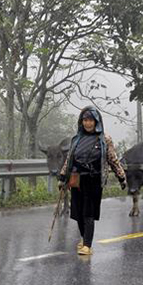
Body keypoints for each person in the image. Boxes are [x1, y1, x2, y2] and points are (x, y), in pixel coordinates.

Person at [59, 107, 126, 256]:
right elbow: (69, 159)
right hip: (77, 179)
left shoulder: (104, 139)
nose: (87, 123)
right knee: (77, 213)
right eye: (85, 120)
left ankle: (87, 246)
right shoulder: (76, 139)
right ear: (81, 122)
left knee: (88, 213)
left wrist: (121, 177)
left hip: (93, 180)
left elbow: (113, 160)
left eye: (90, 120)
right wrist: (63, 177)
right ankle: (84, 239)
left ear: (96, 122)